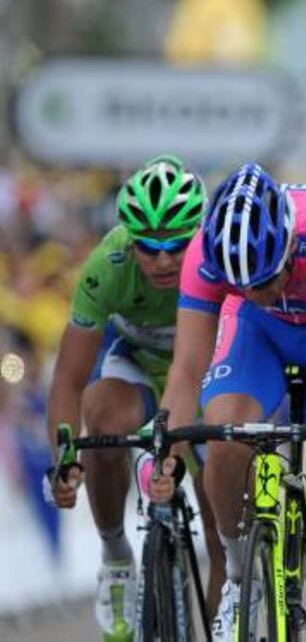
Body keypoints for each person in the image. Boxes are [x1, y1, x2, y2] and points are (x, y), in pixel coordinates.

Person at [151, 164, 306, 642]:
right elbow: (186, 372)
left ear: (292, 246)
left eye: (267, 279)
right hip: (258, 334)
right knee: (225, 432)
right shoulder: (206, 255)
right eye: (244, 285)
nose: (259, 292)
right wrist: (162, 456)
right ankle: (239, 572)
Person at [43, 155, 221, 642]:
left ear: (197, 235)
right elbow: (67, 379)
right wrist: (64, 458)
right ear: (130, 240)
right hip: (139, 365)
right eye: (150, 246)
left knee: (223, 529)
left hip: (206, 373)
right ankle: (116, 555)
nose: (163, 259)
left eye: (176, 245)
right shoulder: (108, 266)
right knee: (101, 418)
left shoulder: (218, 260)